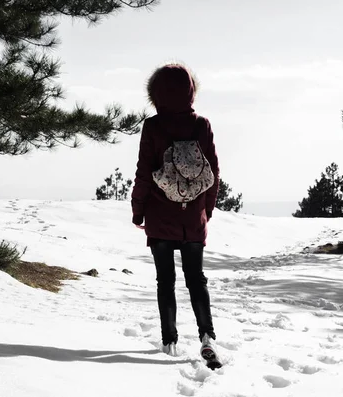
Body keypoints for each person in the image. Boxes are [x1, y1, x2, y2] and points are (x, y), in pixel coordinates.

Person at [130, 63, 220, 364]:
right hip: (192, 218)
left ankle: (169, 341)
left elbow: (144, 172)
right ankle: (207, 336)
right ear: (190, 90)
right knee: (196, 279)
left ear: (156, 92)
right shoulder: (202, 125)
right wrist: (205, 210)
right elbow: (213, 173)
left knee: (165, 281)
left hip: (160, 215)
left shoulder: (153, 127)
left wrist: (138, 212)